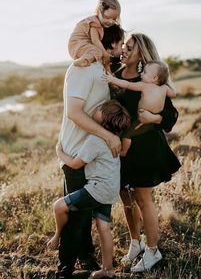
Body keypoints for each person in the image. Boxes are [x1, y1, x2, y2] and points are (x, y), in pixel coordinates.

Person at [56, 24, 124, 279]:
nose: (121, 49)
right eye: (120, 44)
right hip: (77, 151)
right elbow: (74, 113)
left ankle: (85, 256)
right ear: (111, 43)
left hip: (91, 152)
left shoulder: (101, 70)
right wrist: (108, 136)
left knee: (82, 214)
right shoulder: (82, 69)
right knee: (75, 214)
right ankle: (64, 268)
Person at [110, 33, 181, 272]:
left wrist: (155, 117)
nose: (124, 50)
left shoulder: (152, 82)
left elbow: (171, 115)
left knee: (142, 198)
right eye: (124, 46)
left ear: (141, 54)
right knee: (126, 199)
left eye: (130, 47)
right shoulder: (116, 77)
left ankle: (153, 250)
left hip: (146, 146)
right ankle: (135, 243)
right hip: (120, 147)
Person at [48, 100, 130, 279]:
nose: (97, 109)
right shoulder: (114, 137)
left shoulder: (96, 139)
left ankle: (56, 236)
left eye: (100, 109)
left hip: (97, 189)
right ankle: (107, 269)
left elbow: (76, 164)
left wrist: (59, 152)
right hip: (110, 189)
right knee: (103, 227)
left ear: (104, 118)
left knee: (58, 207)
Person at [103, 59, 176, 155]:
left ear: (154, 78)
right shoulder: (165, 88)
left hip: (142, 119)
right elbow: (174, 94)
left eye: (144, 72)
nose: (141, 74)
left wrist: (113, 80)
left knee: (127, 135)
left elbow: (128, 85)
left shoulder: (144, 86)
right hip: (152, 122)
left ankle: (124, 151)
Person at [68, 0, 121, 69]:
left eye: (114, 19)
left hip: (79, 45)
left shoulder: (97, 23)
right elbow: (95, 40)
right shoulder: (94, 23)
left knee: (98, 54)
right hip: (78, 44)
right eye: (107, 17)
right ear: (98, 12)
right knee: (98, 52)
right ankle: (85, 61)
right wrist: (105, 54)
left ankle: (87, 60)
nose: (110, 21)